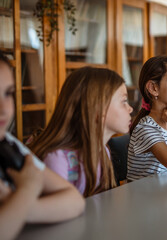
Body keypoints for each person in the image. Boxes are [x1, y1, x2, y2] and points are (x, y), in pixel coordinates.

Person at [0, 51, 85, 240]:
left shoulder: (8, 143)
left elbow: (74, 201)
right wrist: (27, 190)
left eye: (8, 93)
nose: (4, 109)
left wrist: (18, 205)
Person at [29, 67, 133, 197]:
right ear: (97, 109)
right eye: (123, 101)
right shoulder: (57, 159)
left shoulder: (103, 150)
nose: (130, 108)